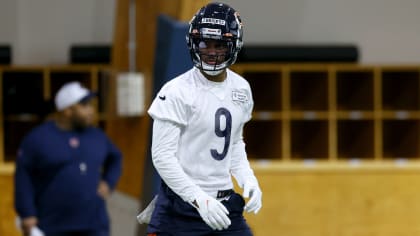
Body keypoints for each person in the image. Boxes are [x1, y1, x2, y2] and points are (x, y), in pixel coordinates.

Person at [143, 2, 262, 235]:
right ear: (193, 42)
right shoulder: (177, 90)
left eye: (220, 44)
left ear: (234, 45)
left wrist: (247, 177)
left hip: (225, 204)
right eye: (205, 43)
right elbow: (162, 156)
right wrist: (198, 198)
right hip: (181, 209)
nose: (211, 51)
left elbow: (234, 143)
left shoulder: (241, 89)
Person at [14, 81, 123, 236]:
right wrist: (27, 213)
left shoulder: (97, 136)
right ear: (68, 110)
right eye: (84, 105)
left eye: (91, 105)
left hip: (95, 224)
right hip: (53, 225)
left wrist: (109, 182)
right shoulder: (38, 138)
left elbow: (116, 157)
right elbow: (23, 177)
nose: (91, 110)